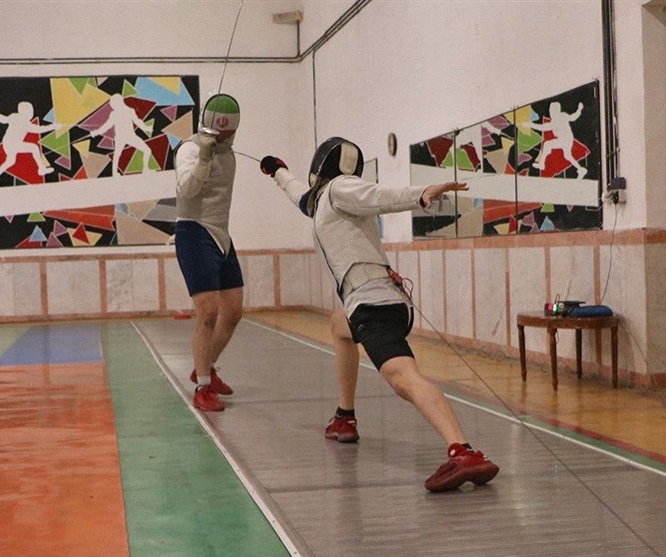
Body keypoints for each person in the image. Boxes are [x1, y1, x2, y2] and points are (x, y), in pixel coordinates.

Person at [259, 137, 500, 492]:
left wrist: (421, 193)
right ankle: (344, 417)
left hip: (373, 304)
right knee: (339, 326)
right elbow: (301, 197)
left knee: (403, 378)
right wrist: (278, 172)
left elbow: (376, 195)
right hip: (376, 300)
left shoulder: (339, 188)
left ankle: (462, 451)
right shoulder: (323, 200)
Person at [174, 93, 243, 412]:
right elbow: (186, 190)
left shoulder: (230, 156)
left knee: (233, 311)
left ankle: (206, 368)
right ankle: (202, 387)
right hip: (193, 231)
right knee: (208, 313)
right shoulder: (189, 149)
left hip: (222, 235)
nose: (224, 138)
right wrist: (203, 158)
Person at [0, 101, 61, 187]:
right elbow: (39, 129)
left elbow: (2, 119)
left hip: (7, 143)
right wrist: (53, 126)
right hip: (13, 143)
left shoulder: (14, 116)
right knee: (33, 148)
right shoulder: (24, 122)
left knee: (10, 161)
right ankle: (41, 168)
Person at [90, 94, 154, 176]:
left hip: (128, 136)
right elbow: (107, 126)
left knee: (146, 150)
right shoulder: (121, 112)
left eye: (113, 104)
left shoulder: (125, 112)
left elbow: (137, 122)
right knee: (118, 155)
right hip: (123, 137)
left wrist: (96, 132)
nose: (112, 106)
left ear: (118, 103)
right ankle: (115, 173)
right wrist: (96, 132)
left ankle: (144, 169)